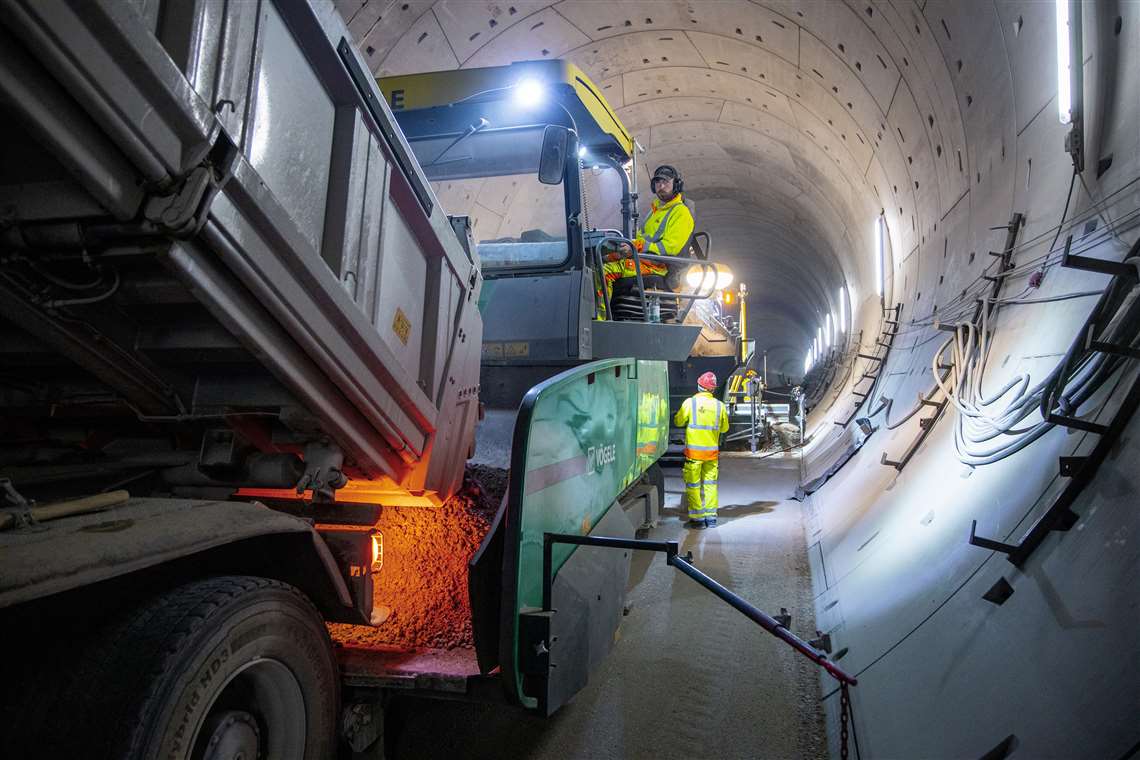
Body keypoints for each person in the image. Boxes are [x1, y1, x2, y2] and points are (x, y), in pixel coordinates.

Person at [598, 165, 695, 317]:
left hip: (657, 266)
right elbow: (641, 237)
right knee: (599, 261)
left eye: (666, 182)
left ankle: (600, 321)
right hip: (642, 259)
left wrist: (637, 247)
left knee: (604, 272)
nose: (661, 186)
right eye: (658, 182)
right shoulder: (653, 212)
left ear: (677, 185)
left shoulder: (681, 213)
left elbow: (669, 248)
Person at [673, 371, 729, 529]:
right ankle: (711, 518)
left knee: (693, 485)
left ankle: (697, 519)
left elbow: (678, 421)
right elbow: (725, 428)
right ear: (713, 389)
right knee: (710, 485)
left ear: (699, 386)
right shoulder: (720, 406)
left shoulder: (690, 403)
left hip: (694, 455)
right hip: (711, 455)